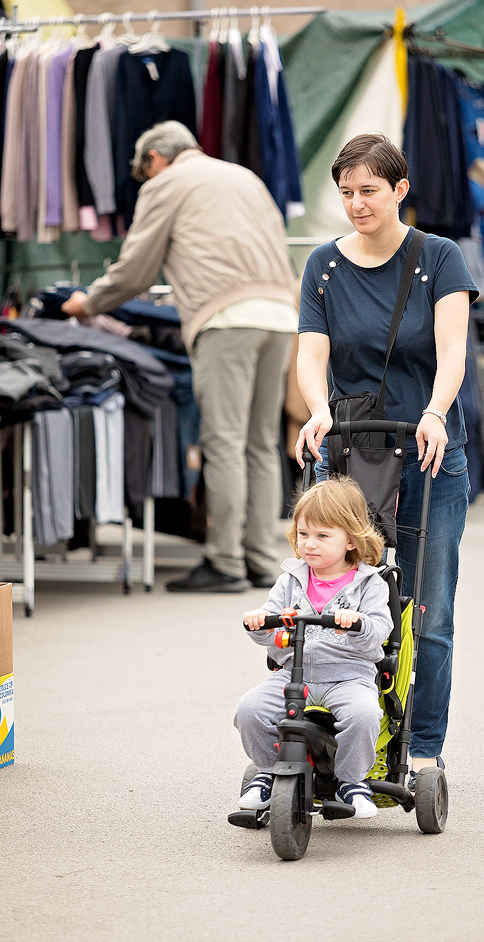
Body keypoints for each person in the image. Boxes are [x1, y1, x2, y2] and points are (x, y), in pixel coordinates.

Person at [294, 133, 478, 786]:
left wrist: (435, 409)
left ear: (400, 190)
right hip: (350, 452)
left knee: (427, 611)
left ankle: (421, 748)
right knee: (331, 598)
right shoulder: (322, 264)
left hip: (430, 452)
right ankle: (328, 737)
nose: (356, 204)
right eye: (345, 193)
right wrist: (316, 408)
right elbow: (311, 355)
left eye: (369, 191)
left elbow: (453, 350)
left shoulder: (439, 258)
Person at [62, 120, 297, 593]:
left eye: (141, 173)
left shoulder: (167, 183)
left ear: (154, 159)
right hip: (280, 314)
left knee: (224, 441)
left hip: (225, 318)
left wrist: (87, 303)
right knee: (261, 443)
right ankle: (263, 560)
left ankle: (225, 562)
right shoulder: (243, 176)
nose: (144, 182)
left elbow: (135, 268)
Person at [235, 477, 393, 818]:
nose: (310, 544)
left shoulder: (370, 584)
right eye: (304, 534)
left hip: (348, 676)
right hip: (294, 675)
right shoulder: (290, 580)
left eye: (322, 536)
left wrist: (359, 624)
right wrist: (259, 623)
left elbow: (379, 633)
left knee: (364, 715)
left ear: (351, 540)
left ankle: (351, 781)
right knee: (249, 710)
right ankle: (266, 771)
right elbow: (272, 634)